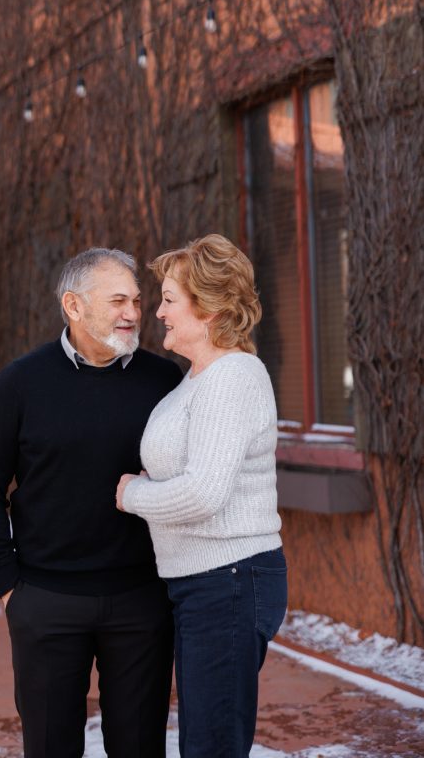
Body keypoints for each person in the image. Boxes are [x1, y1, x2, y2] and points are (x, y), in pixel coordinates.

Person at [0, 247, 182, 758]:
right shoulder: (20, 383)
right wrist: (8, 585)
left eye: (136, 299)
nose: (133, 312)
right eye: (117, 301)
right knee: (50, 747)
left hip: (141, 600)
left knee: (139, 746)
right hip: (45, 600)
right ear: (74, 306)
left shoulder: (164, 381)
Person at [116, 233, 287, 758]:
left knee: (212, 744)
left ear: (209, 309)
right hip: (203, 584)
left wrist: (133, 495)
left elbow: (202, 494)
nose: (158, 312)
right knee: (202, 738)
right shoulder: (197, 378)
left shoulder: (232, 377)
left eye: (169, 300)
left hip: (229, 580)